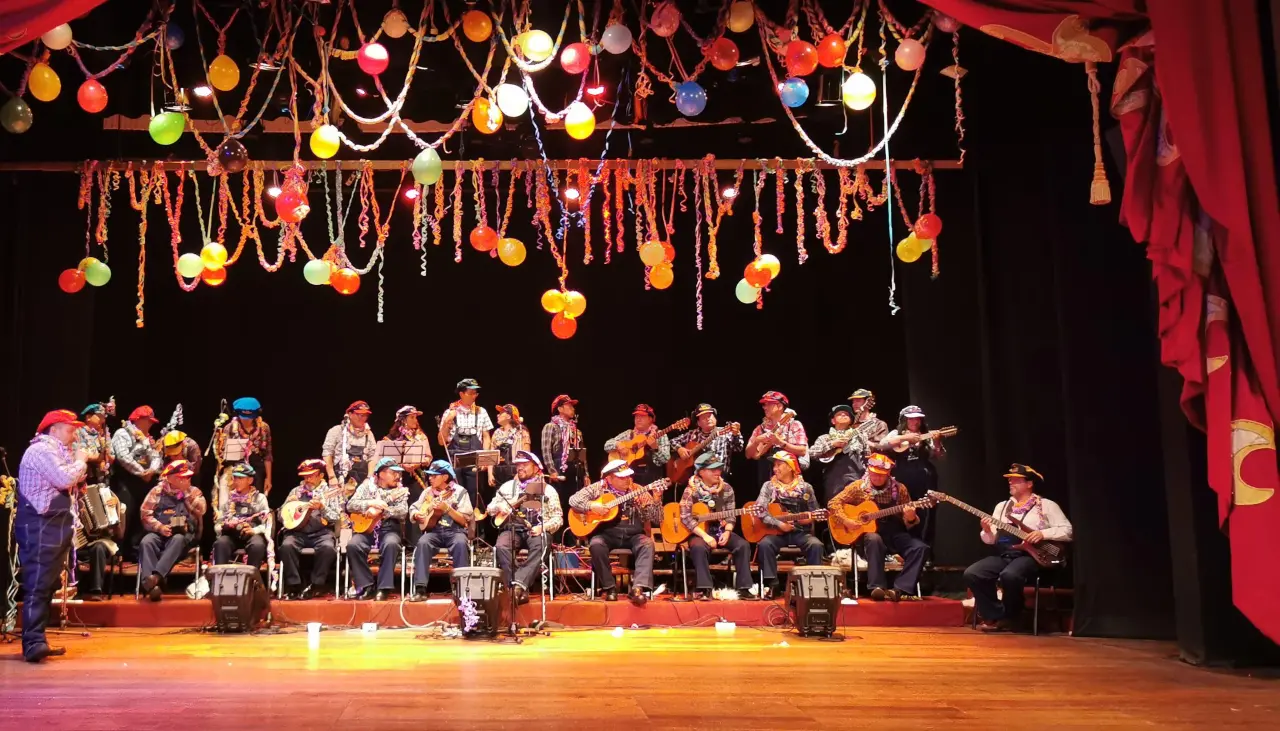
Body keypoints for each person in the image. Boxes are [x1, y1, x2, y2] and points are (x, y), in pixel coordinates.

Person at [15, 410, 88, 661]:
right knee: (38, 584)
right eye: (70, 428)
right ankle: (33, 643)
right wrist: (81, 461)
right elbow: (64, 478)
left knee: (45, 585)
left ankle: (37, 639)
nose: (75, 433)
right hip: (40, 525)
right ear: (54, 429)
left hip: (51, 524)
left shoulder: (55, 451)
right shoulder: (42, 450)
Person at [964, 464, 1073, 631]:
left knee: (1010, 575)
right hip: (1006, 554)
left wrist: (1043, 534)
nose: (1010, 483)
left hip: (1032, 556)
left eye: (1016, 480)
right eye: (1009, 480)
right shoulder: (1002, 507)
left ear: (1029, 484)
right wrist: (987, 530)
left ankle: (1012, 616)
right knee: (973, 573)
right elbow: (991, 540)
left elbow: (1068, 531)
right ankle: (996, 615)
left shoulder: (1046, 505)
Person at [828, 453, 928, 601]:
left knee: (920, 548)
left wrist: (911, 518)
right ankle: (877, 587)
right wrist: (846, 520)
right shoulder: (858, 487)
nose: (877, 477)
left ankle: (900, 589)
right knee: (874, 539)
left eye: (881, 475)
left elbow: (909, 524)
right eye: (874, 473)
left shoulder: (900, 490)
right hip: (869, 536)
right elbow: (833, 503)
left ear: (888, 473)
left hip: (894, 532)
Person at [569, 459, 666, 606]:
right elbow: (573, 500)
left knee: (647, 544)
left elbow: (656, 519)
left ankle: (638, 589)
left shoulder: (638, 490)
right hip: (607, 534)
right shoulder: (597, 489)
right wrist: (592, 506)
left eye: (628, 476)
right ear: (609, 478)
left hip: (633, 534)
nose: (627, 479)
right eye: (622, 477)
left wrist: (657, 499)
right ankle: (609, 588)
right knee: (596, 545)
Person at [486, 450, 562, 604]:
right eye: (518, 465)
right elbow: (490, 508)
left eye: (525, 464)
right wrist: (501, 506)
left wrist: (543, 527)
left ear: (536, 467)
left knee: (542, 543)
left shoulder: (547, 489)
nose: (520, 468)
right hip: (511, 528)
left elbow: (558, 518)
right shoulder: (508, 487)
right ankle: (520, 588)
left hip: (535, 530)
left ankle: (517, 586)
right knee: (501, 546)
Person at [676, 453, 753, 600]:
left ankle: (745, 588)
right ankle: (705, 588)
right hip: (699, 532)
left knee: (743, 545)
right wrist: (705, 536)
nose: (718, 473)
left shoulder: (727, 489)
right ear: (701, 472)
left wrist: (728, 531)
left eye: (718, 469)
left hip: (721, 530)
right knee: (698, 547)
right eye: (713, 470)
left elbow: (731, 514)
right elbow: (685, 517)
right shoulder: (691, 490)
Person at [755, 451, 824, 600]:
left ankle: (813, 587)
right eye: (774, 465)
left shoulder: (806, 488)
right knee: (765, 545)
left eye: (779, 465)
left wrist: (810, 519)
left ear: (790, 467)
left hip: (800, 533)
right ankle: (772, 585)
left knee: (816, 545)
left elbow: (815, 512)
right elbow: (759, 511)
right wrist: (779, 524)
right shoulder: (768, 486)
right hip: (777, 533)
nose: (775, 469)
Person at [138, 459, 207, 602]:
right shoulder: (157, 491)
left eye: (188, 477)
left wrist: (186, 494)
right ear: (172, 478)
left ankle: (154, 579)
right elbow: (145, 514)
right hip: (160, 533)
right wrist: (159, 527)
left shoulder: (194, 491)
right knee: (146, 541)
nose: (188, 479)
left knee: (178, 539)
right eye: (183, 477)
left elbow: (201, 510)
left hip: (182, 536)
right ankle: (153, 587)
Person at [408, 460, 474, 601]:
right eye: (430, 476)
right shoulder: (427, 492)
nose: (430, 478)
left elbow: (465, 520)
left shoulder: (460, 492)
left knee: (460, 544)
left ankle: (461, 589)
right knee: (423, 542)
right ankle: (420, 588)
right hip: (434, 532)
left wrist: (448, 509)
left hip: (455, 531)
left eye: (434, 476)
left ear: (445, 477)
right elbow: (414, 507)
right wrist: (416, 514)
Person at [345, 457, 409, 601]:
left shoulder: (400, 491)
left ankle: (383, 588)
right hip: (366, 529)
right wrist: (371, 503)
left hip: (389, 529)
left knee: (391, 544)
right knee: (353, 545)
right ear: (381, 474)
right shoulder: (366, 487)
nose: (398, 476)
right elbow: (350, 505)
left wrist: (382, 512)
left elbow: (403, 511)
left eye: (398, 473)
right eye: (394, 473)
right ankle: (366, 585)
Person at [278, 459, 341, 600]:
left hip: (321, 532)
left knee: (328, 548)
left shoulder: (330, 492)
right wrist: (288, 505)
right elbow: (279, 516)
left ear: (321, 476)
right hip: (297, 532)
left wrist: (322, 508)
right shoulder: (296, 491)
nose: (307, 479)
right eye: (305, 476)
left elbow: (336, 516)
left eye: (311, 475)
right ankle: (295, 585)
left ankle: (315, 585)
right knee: (287, 546)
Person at [110, 405, 161, 555]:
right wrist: (141, 472)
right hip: (127, 481)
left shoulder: (148, 438)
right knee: (126, 515)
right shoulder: (122, 433)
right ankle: (118, 552)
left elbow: (156, 455)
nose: (151, 424)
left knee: (142, 515)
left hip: (145, 481)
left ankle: (135, 551)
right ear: (138, 419)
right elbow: (123, 456)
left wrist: (151, 470)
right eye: (148, 420)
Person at [438, 379, 493, 506]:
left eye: (476, 393)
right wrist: (448, 421)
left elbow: (486, 437)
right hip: (455, 461)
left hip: (475, 461)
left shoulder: (481, 412)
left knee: (475, 494)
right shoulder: (449, 412)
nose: (474, 396)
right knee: (456, 494)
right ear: (461, 394)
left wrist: (485, 458)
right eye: (471, 393)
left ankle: (474, 524)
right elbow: (441, 441)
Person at [212, 463, 270, 576]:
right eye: (235, 478)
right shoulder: (229, 499)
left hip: (252, 534)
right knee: (220, 543)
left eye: (241, 478)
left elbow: (268, 523)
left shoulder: (259, 498)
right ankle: (219, 581)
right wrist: (226, 526)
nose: (236, 481)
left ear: (250, 480)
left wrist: (254, 530)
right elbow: (217, 525)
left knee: (258, 545)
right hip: (232, 535)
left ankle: (250, 581)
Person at [745, 391, 809, 486]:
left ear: (780, 406)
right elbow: (748, 455)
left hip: (790, 481)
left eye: (768, 404)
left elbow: (802, 451)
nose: (764, 407)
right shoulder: (760, 428)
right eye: (764, 405)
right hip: (766, 481)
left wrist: (780, 443)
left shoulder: (794, 425)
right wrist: (757, 441)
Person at [214, 397, 274, 495]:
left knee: (255, 498)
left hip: (256, 469)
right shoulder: (230, 428)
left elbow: (268, 454)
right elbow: (222, 455)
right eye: (243, 416)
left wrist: (268, 478)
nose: (247, 420)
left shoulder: (264, 428)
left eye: (250, 416)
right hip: (235, 468)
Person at [604, 404, 672, 486]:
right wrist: (618, 444)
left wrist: (655, 448)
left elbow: (665, 459)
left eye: (642, 416)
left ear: (650, 419)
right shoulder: (629, 434)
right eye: (636, 417)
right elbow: (607, 445)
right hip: (628, 481)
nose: (638, 419)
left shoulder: (660, 435)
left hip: (652, 482)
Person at [809, 405, 863, 504]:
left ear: (851, 420)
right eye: (839, 414)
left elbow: (867, 455)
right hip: (834, 483)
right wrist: (832, 444)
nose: (843, 414)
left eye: (846, 414)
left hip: (857, 480)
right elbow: (811, 453)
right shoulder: (824, 438)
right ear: (833, 421)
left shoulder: (859, 436)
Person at [672, 403, 743, 477]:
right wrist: (679, 448)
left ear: (715, 418)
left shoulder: (725, 432)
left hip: (720, 477)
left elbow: (738, 448)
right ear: (698, 423)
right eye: (703, 417)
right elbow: (672, 441)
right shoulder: (692, 434)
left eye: (710, 415)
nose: (708, 419)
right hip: (697, 479)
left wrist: (736, 434)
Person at [322, 401, 378, 493]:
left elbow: (372, 457)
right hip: (340, 479)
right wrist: (331, 477)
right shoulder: (336, 431)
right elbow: (327, 453)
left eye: (365, 415)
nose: (362, 418)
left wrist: (369, 478)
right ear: (350, 414)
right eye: (359, 415)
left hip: (363, 481)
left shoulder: (369, 434)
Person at [542, 394, 586, 489]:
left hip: (576, 469)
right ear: (560, 409)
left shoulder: (576, 430)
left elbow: (582, 455)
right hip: (559, 468)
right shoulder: (550, 426)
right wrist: (552, 471)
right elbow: (546, 451)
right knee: (561, 498)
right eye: (569, 406)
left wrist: (586, 474)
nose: (573, 409)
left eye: (573, 406)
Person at [490, 404, 531, 488]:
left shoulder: (521, 432)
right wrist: (490, 474)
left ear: (508, 416)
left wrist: (520, 473)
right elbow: (491, 456)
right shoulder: (496, 433)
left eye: (501, 413)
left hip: (514, 473)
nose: (498, 415)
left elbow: (527, 456)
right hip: (498, 474)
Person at [75, 400, 114, 486]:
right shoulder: (78, 432)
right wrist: (99, 458)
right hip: (87, 478)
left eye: (104, 418)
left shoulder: (104, 434)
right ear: (88, 417)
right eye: (100, 417)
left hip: (103, 478)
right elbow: (82, 454)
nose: (103, 420)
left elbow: (112, 456)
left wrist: (106, 451)